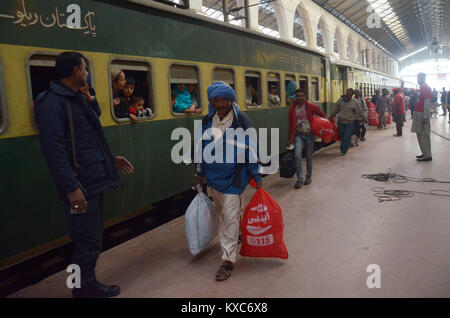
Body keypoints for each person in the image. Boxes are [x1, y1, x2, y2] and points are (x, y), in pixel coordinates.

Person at [34, 52, 134, 298]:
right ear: (76, 72)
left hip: (93, 180)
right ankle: (82, 289)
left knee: (90, 238)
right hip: (80, 186)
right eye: (85, 70)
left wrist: (110, 159)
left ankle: (85, 285)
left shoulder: (77, 99)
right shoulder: (51, 103)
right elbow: (54, 151)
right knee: (85, 241)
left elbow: (85, 142)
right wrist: (71, 188)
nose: (87, 74)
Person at [193, 82, 262, 281]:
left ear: (231, 100)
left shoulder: (241, 120)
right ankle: (236, 234)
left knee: (230, 217)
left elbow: (251, 147)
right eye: (216, 100)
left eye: (224, 99)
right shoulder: (207, 121)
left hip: (233, 178)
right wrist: (198, 171)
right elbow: (199, 147)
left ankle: (228, 260)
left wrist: (256, 175)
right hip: (213, 178)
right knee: (226, 214)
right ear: (212, 102)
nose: (220, 103)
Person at [288, 89, 327, 189]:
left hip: (309, 135)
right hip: (298, 135)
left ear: (305, 97)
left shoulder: (311, 107)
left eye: (301, 96)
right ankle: (300, 178)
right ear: (295, 97)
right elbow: (290, 125)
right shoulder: (292, 109)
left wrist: (320, 127)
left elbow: (323, 116)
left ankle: (308, 177)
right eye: (298, 96)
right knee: (297, 156)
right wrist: (289, 139)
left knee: (309, 156)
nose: (300, 98)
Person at [329, 88, 367, 156]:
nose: (348, 96)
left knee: (346, 137)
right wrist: (330, 116)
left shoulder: (355, 102)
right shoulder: (340, 101)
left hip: (349, 123)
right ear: (346, 93)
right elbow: (336, 110)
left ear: (352, 95)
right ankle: (345, 145)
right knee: (341, 136)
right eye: (347, 94)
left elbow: (360, 111)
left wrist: (365, 118)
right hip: (341, 122)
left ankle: (343, 150)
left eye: (350, 94)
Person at [412, 73, 433, 162]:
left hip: (422, 114)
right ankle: (424, 152)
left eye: (420, 77)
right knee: (420, 134)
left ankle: (428, 155)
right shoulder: (421, 88)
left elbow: (427, 103)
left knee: (424, 135)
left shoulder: (426, 88)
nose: (418, 79)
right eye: (417, 77)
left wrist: (425, 116)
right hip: (418, 113)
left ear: (424, 78)